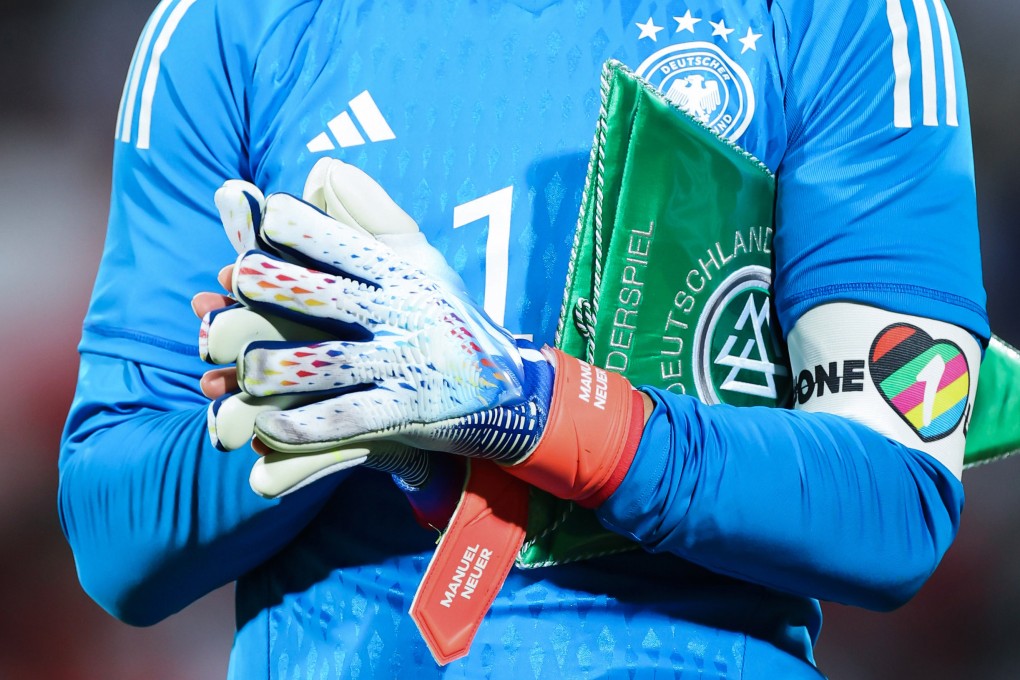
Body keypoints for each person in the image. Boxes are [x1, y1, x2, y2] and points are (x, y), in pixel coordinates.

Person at [58, 0, 987, 677]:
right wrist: (339, 397)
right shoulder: (229, 25)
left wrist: (532, 408)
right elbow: (114, 535)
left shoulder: (844, 17)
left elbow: (894, 502)